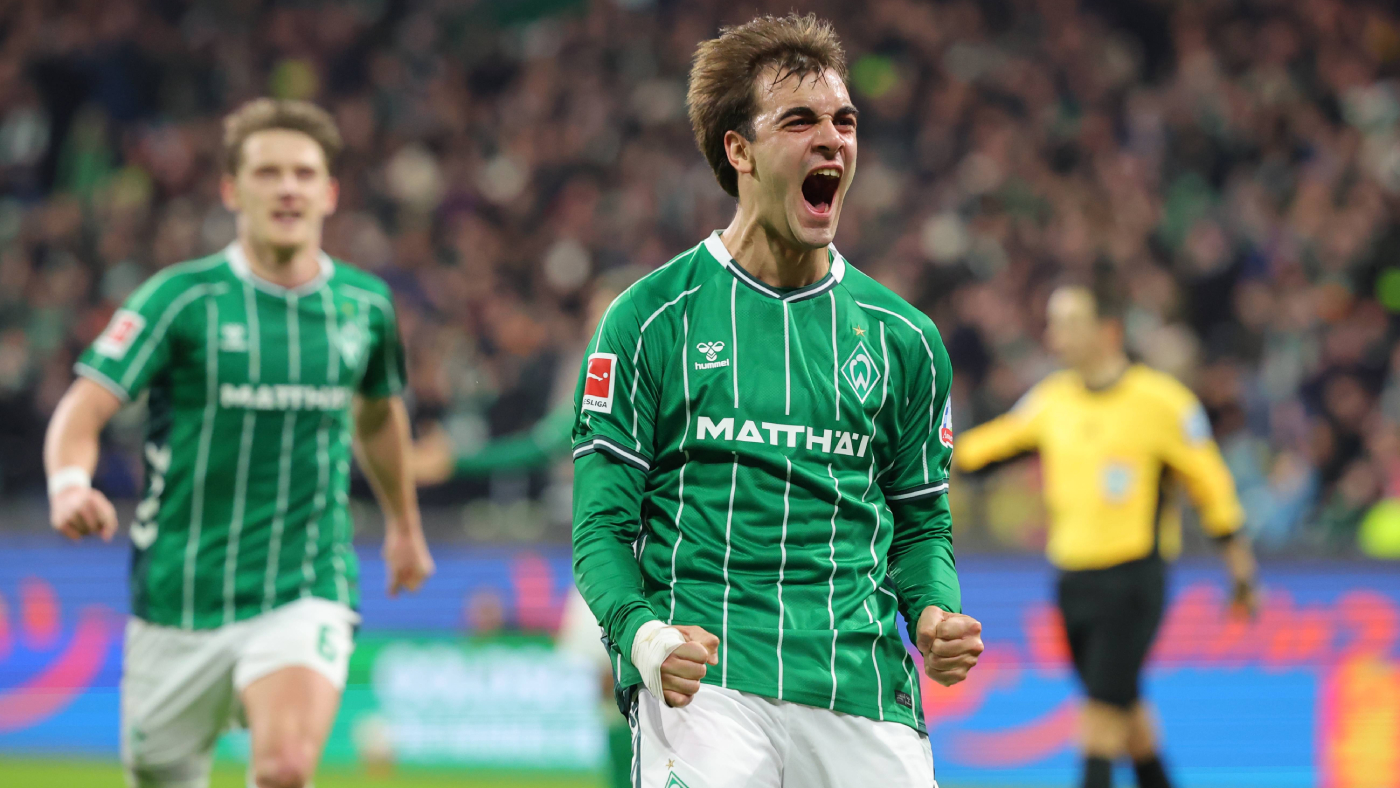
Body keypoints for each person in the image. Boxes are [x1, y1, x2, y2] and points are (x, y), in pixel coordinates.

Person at [570, 14, 984, 787]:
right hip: (708, 683)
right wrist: (645, 635)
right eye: (800, 121)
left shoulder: (906, 339)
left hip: (861, 687)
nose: (832, 140)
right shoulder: (649, 321)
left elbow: (922, 523)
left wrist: (933, 611)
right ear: (740, 150)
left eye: (844, 122)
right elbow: (601, 526)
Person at [43, 98, 435, 788]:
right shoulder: (179, 299)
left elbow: (377, 416)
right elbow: (83, 408)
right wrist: (70, 485)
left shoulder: (365, 307)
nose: (287, 188)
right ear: (231, 190)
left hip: (304, 582)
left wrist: (403, 524)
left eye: (304, 174)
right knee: (162, 772)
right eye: (267, 173)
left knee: (284, 769)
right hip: (177, 597)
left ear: (329, 193)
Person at [954, 274, 1259, 788]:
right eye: (1053, 323)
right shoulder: (1052, 401)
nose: (1055, 335)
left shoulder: (1162, 403)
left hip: (1132, 578)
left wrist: (1241, 570)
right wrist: (919, 453)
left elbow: (1212, 487)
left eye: (1070, 322)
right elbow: (984, 450)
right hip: (1073, 580)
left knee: (1098, 716)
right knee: (1126, 712)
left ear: (1109, 330)